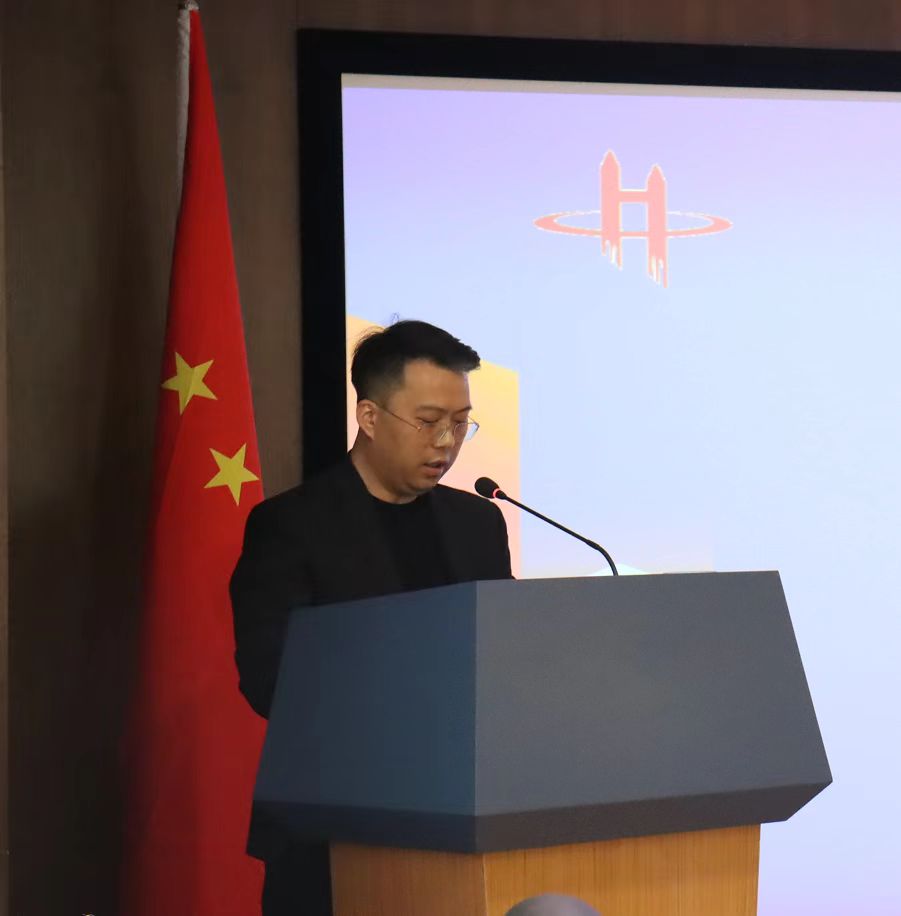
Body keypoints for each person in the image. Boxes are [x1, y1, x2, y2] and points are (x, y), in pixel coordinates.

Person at [230, 319, 513, 916]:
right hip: (333, 832)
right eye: (429, 421)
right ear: (369, 416)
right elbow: (267, 678)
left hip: (468, 821)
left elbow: (507, 653)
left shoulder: (477, 523)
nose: (447, 442)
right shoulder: (292, 526)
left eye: (461, 423)